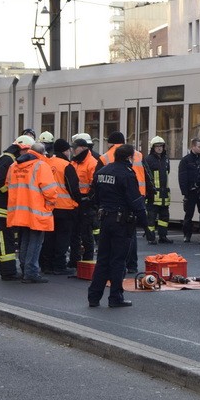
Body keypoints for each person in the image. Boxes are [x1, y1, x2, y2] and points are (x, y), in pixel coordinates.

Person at [88, 144, 147, 308]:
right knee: (118, 261)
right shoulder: (127, 174)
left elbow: (96, 198)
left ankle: (93, 297)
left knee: (102, 260)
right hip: (122, 223)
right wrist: (147, 225)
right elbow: (135, 201)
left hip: (105, 219)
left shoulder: (102, 172)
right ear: (129, 158)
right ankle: (115, 297)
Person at [7, 136, 57, 283]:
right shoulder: (41, 166)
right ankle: (31, 272)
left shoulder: (13, 166)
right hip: (37, 210)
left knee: (25, 241)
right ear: (43, 153)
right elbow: (50, 190)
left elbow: (8, 184)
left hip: (19, 211)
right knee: (35, 242)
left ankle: (24, 268)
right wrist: (50, 205)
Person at [100, 131, 142, 273]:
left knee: (110, 242)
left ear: (110, 143)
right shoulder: (138, 155)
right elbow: (146, 174)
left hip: (112, 205)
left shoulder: (105, 157)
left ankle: (115, 267)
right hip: (136, 197)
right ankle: (132, 265)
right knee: (131, 235)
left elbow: (97, 182)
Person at [0, 138, 24, 280]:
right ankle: (7, 272)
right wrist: (11, 192)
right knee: (4, 241)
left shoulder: (11, 158)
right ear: (21, 149)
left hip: (5, 209)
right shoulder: (8, 159)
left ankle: (10, 270)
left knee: (8, 240)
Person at [40, 138, 80, 275]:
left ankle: (47, 265)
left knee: (49, 237)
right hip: (65, 208)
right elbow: (73, 188)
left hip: (49, 207)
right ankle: (59, 265)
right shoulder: (66, 165)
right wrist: (79, 201)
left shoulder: (46, 163)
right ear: (65, 150)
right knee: (63, 238)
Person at [68, 136, 100, 265]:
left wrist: (89, 199)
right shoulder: (74, 162)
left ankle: (87, 261)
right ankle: (74, 260)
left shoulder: (91, 163)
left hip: (86, 204)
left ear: (83, 148)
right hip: (75, 203)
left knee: (86, 235)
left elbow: (95, 184)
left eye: (75, 148)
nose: (73, 151)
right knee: (74, 234)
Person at [143, 135, 172, 245]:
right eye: (157, 146)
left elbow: (167, 173)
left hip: (164, 195)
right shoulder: (148, 160)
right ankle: (151, 238)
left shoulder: (166, 159)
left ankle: (163, 236)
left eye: (161, 146)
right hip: (153, 194)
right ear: (153, 147)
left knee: (164, 218)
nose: (159, 148)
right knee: (151, 218)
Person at [178, 138, 200, 243]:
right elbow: (182, 177)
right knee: (189, 214)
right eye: (199, 147)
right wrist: (185, 192)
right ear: (193, 147)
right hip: (190, 191)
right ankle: (187, 235)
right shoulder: (186, 160)